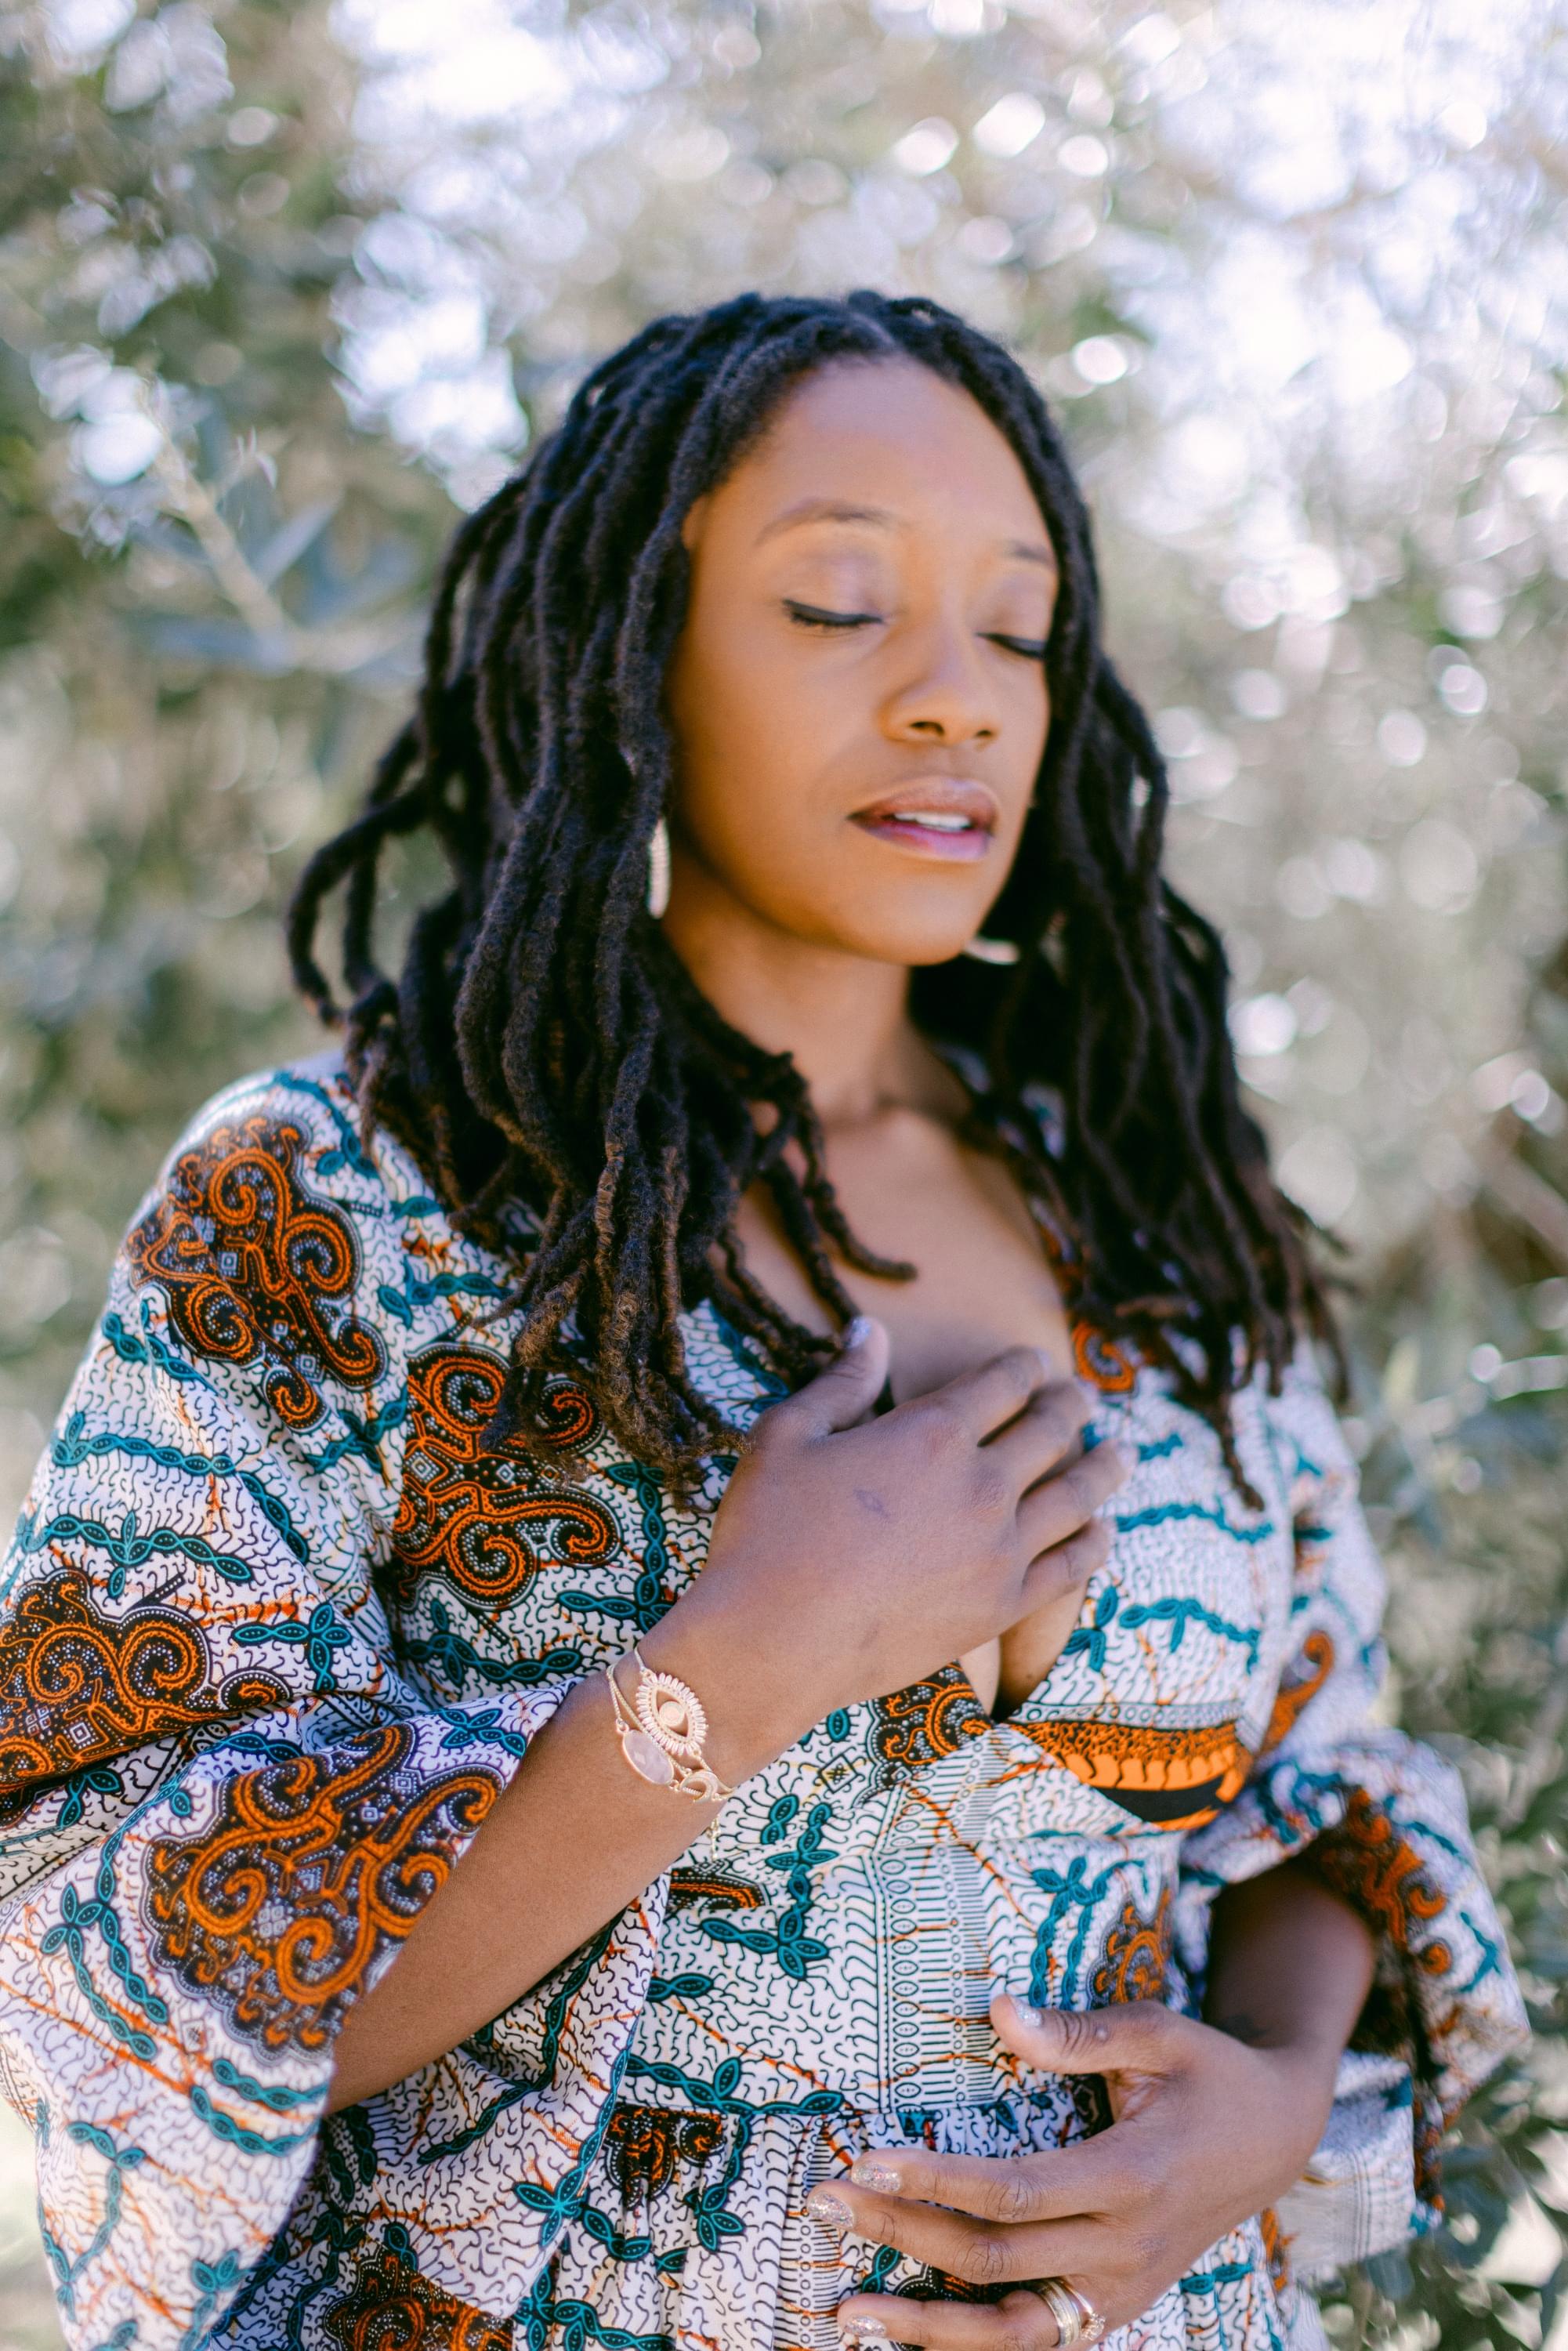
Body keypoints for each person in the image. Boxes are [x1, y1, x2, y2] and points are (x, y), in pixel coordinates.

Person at [0, 290, 1525, 2351]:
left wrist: (1259, 2105)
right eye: (835, 605)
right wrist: (741, 1665)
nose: (954, 699)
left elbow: (1323, 1781)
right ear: (634, 656)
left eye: (1015, 629)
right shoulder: (341, 1207)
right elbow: (115, 1970)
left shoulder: (1154, 1212)